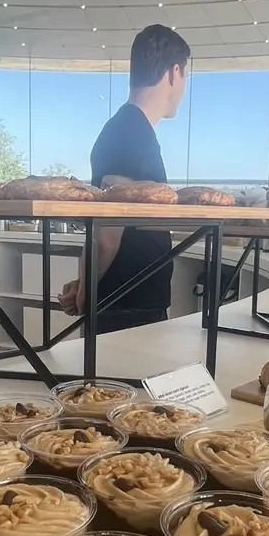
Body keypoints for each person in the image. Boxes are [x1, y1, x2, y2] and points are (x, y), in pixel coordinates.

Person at [59, 24, 190, 333]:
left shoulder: (127, 128)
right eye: (185, 76)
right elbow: (106, 237)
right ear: (173, 73)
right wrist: (86, 292)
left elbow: (104, 226)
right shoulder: (131, 132)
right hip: (129, 307)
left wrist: (83, 284)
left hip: (125, 302)